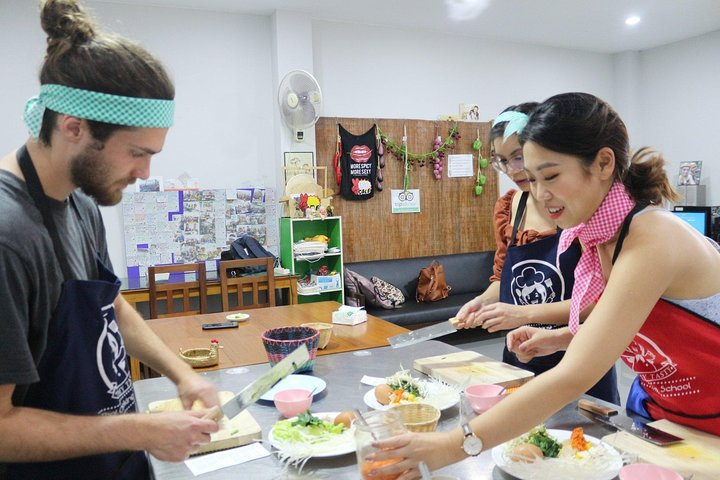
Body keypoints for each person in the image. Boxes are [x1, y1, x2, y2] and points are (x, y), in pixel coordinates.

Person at [367, 92, 720, 478]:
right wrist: (563, 337)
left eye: (550, 176)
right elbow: (629, 320)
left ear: (603, 162)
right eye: (531, 179)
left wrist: (452, 446)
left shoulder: (652, 238)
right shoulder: (598, 235)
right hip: (665, 411)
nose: (539, 194)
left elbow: (574, 376)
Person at [0, 1, 221, 478]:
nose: (145, 174)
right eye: (137, 153)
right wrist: (139, 430)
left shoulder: (79, 201)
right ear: (73, 127)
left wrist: (183, 374)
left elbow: (110, 306)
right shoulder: (8, 239)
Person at [455, 103, 619, 404]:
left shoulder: (581, 211)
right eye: (502, 161)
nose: (513, 170)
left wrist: (522, 313)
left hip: (579, 353)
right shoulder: (511, 206)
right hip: (523, 349)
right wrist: (481, 303)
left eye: (519, 158)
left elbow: (603, 304)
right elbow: (503, 278)